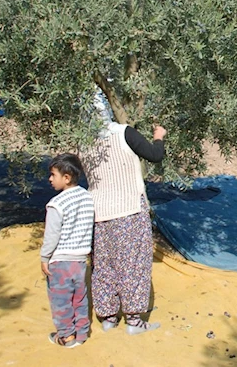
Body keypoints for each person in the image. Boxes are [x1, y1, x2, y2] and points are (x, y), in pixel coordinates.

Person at [82, 94, 166, 335]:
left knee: (103, 264)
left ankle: (107, 317)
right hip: (129, 208)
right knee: (133, 263)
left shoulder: (82, 140)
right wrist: (158, 137)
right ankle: (134, 321)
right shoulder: (123, 132)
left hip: (99, 211)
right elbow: (155, 155)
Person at [40, 153, 95, 348]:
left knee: (61, 300)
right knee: (79, 298)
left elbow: (52, 235)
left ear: (66, 177)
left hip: (60, 262)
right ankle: (81, 332)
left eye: (53, 175)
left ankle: (66, 336)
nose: (50, 179)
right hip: (80, 261)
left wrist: (45, 257)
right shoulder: (88, 198)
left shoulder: (56, 204)